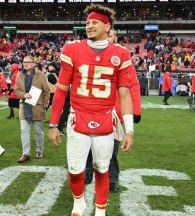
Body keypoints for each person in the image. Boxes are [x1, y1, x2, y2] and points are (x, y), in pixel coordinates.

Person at [48, 4, 134, 216]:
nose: (89, 25)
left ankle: (100, 211)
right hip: (78, 117)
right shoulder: (72, 48)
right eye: (87, 22)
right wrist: (53, 123)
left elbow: (124, 93)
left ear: (107, 26)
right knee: (76, 170)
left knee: (102, 168)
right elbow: (61, 90)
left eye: (94, 22)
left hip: (106, 119)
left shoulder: (120, 53)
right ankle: (79, 203)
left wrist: (129, 129)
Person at [85, 28, 141, 193]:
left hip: (113, 112)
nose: (106, 38)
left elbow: (133, 85)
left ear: (115, 38)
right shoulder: (88, 55)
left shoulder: (122, 58)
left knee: (112, 149)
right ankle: (87, 174)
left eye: (110, 35)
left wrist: (135, 111)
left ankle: (112, 179)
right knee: (87, 147)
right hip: (90, 110)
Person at [14, 55, 50, 162]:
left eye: (28, 62)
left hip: (37, 107)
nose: (25, 64)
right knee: (24, 131)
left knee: (38, 131)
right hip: (24, 106)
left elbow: (46, 92)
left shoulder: (41, 75)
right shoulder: (20, 75)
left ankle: (39, 150)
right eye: (24, 62)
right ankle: (26, 154)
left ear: (33, 63)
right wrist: (24, 94)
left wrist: (44, 106)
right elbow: (16, 91)